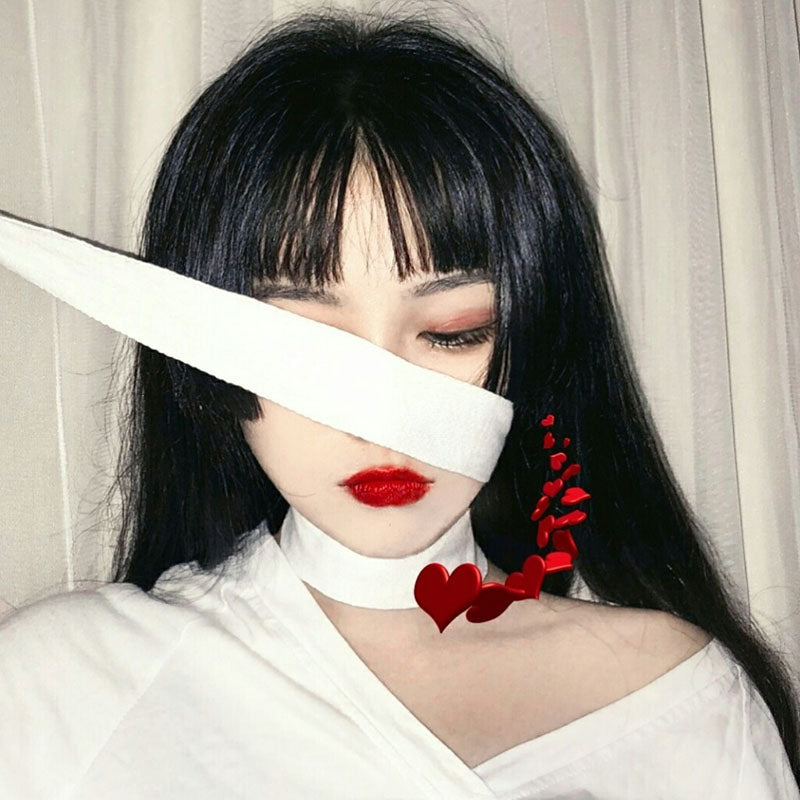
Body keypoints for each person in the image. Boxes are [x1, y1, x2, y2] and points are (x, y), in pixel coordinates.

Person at [1, 7, 799, 798]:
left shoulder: (680, 706)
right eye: (306, 348)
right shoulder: (64, 693)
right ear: (205, 359)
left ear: (532, 340)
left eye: (452, 333)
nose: (378, 420)